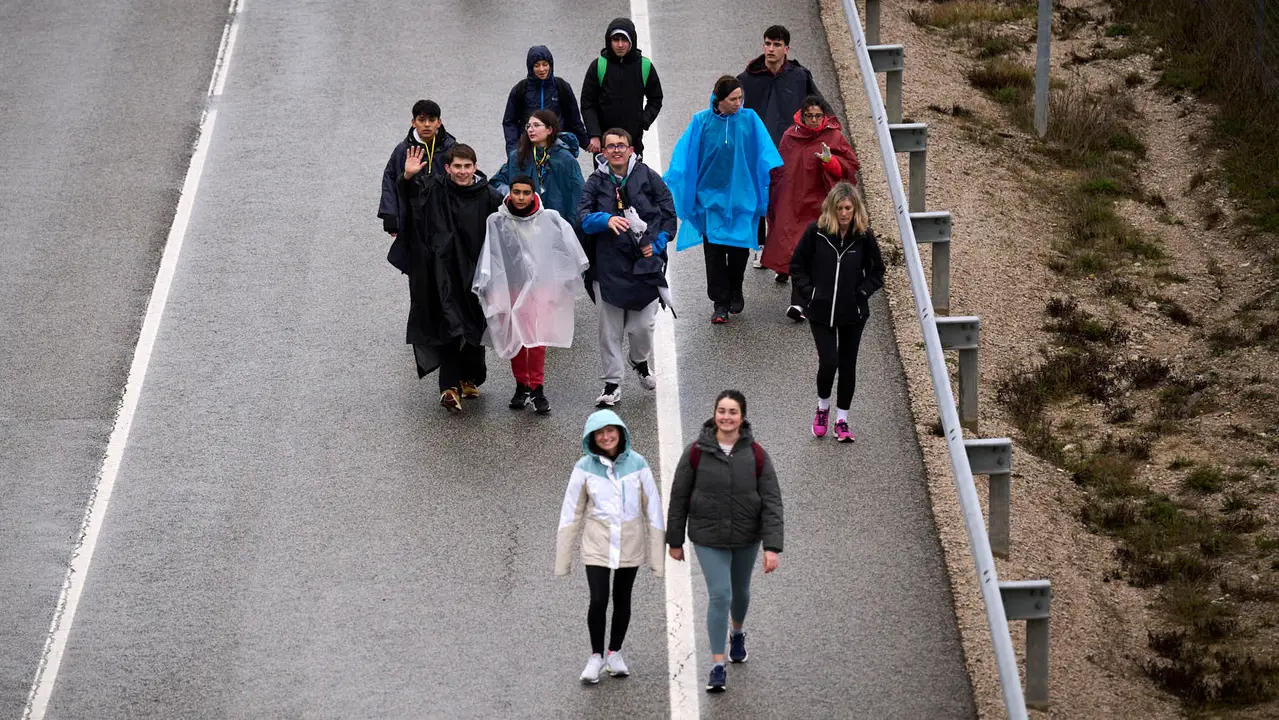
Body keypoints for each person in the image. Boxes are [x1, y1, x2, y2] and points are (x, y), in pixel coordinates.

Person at [666, 390, 783, 694]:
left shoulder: (757, 454)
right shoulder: (695, 452)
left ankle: (738, 633)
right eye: (722, 411)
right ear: (714, 414)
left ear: (742, 417)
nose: (726, 417)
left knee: (740, 592)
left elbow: (772, 501)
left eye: (733, 412)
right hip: (708, 536)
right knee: (720, 594)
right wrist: (674, 540)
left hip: (747, 536)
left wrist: (772, 547)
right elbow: (678, 497)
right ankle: (718, 665)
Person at [556, 409, 666, 684]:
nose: (606, 437)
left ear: (620, 432)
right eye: (600, 433)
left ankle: (615, 652)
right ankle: (596, 656)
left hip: (630, 543)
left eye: (611, 431)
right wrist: (563, 558)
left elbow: (653, 508)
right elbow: (571, 511)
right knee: (598, 599)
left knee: (622, 599)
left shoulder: (639, 464)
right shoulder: (583, 468)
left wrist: (657, 557)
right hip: (597, 543)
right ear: (592, 437)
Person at [665, 76, 782, 324]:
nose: (738, 103)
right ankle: (719, 302)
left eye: (740, 98)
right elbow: (685, 157)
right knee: (715, 253)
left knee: (739, 250)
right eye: (733, 99)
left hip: (742, 199)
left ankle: (736, 288)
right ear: (719, 100)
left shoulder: (750, 120)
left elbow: (766, 154)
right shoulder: (701, 122)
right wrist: (678, 183)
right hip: (710, 201)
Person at [396, 143, 502, 412]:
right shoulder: (435, 190)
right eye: (457, 166)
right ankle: (448, 387)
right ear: (447, 168)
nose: (462, 172)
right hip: (442, 272)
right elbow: (412, 202)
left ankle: (469, 377)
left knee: (473, 326)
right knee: (449, 327)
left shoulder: (488, 196)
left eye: (467, 166)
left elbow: (507, 223)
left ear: (475, 167)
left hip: (477, 273)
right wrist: (407, 177)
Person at [473, 175, 589, 415]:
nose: (521, 197)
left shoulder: (549, 219)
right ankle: (521, 385)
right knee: (515, 337)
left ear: (534, 194)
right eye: (517, 192)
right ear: (510, 193)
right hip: (511, 287)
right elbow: (491, 254)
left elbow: (564, 248)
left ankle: (537, 388)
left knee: (537, 339)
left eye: (526, 193)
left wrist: (563, 281)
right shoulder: (497, 221)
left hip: (540, 288)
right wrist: (491, 288)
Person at [577, 128, 676, 408]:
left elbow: (669, 215)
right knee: (609, 330)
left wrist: (655, 245)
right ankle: (612, 385)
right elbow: (582, 217)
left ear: (631, 149)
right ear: (603, 152)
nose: (617, 150)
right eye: (611, 146)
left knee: (643, 326)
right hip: (607, 266)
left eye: (622, 145)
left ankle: (639, 360)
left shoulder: (648, 176)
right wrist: (605, 220)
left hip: (646, 266)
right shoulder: (595, 182)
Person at [789, 182, 885, 442]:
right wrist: (810, 292)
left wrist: (862, 293)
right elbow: (797, 265)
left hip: (853, 314)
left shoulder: (864, 237)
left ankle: (842, 420)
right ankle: (822, 408)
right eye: (839, 208)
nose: (844, 213)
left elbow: (877, 272)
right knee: (829, 361)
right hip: (821, 312)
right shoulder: (816, 233)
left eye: (848, 208)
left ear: (855, 210)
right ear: (831, 209)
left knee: (848, 365)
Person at [762, 95, 859, 319]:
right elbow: (779, 170)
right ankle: (799, 301)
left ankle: (802, 301)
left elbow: (849, 168)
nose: (814, 120)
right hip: (792, 202)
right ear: (802, 116)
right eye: (809, 116)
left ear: (824, 117)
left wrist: (830, 161)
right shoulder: (790, 136)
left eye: (818, 116)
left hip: (820, 204)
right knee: (794, 248)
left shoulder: (834, 137)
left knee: (811, 253)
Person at [737, 25, 823, 269]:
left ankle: (785, 254)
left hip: (791, 150)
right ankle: (762, 248)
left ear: (786, 49)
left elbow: (817, 107)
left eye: (776, 45)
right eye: (767, 43)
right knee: (760, 199)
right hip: (758, 151)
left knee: (785, 201)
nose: (770, 49)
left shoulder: (799, 77)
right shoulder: (746, 80)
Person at [580, 18, 664, 157]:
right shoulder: (598, 66)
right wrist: (594, 134)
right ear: (609, 41)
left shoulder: (644, 66)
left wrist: (643, 121)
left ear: (632, 41)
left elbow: (656, 98)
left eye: (624, 40)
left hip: (632, 142)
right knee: (605, 179)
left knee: (633, 178)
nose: (620, 45)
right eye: (615, 40)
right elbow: (588, 104)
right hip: (605, 144)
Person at [378, 99, 458, 242]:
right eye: (421, 120)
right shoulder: (403, 150)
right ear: (413, 122)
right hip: (413, 221)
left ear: (438, 122)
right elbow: (389, 180)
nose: (427, 124)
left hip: (445, 221)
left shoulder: (451, 149)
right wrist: (390, 216)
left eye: (432, 120)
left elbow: (467, 176)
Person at [492, 110, 585, 228]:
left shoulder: (565, 159)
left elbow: (577, 194)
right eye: (528, 126)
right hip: (522, 222)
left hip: (556, 224)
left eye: (536, 125)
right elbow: (496, 183)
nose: (530, 129)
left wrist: (571, 227)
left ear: (549, 130)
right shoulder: (517, 156)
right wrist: (515, 195)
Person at [502, 45, 589, 155]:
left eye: (545, 64)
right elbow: (510, 122)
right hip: (529, 147)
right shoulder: (520, 89)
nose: (542, 69)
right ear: (530, 67)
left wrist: (586, 142)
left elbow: (573, 119)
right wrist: (513, 151)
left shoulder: (561, 86)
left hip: (557, 146)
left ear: (551, 65)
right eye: (537, 66)